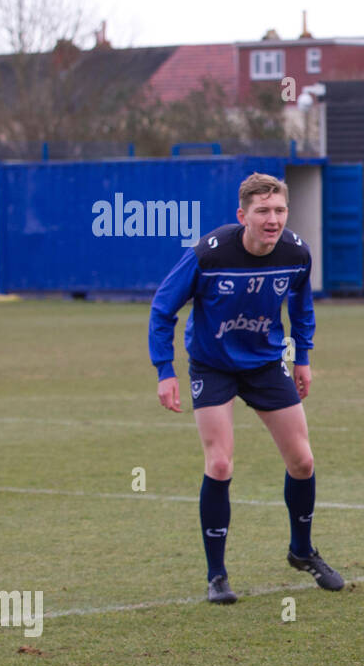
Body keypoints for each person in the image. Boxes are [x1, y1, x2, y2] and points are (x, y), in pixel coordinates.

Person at [148, 173, 345, 603]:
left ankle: (302, 551)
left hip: (265, 363)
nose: (272, 219)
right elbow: (163, 307)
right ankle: (216, 575)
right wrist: (165, 370)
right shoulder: (209, 252)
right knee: (219, 465)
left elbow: (301, 305)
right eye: (263, 212)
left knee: (303, 461)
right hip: (212, 365)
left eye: (279, 210)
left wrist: (304, 358)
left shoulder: (296, 253)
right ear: (243, 215)